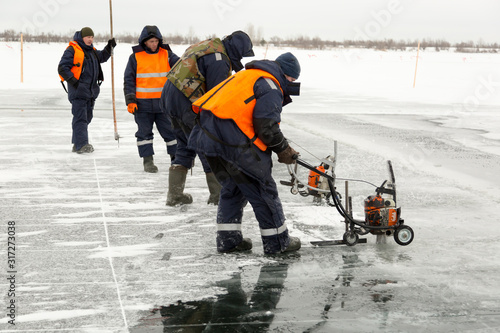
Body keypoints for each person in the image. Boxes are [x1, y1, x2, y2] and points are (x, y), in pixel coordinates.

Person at [188, 52, 302, 255]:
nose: (291, 84)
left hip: (206, 139)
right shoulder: (271, 85)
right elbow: (266, 126)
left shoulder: (244, 76)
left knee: (234, 188)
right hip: (231, 141)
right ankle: (278, 243)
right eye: (292, 80)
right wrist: (283, 149)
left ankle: (229, 241)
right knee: (263, 189)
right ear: (286, 75)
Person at [161, 30, 254, 206]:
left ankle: (174, 196)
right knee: (207, 144)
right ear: (237, 49)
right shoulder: (219, 59)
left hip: (169, 97)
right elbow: (216, 97)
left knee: (184, 145)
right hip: (187, 100)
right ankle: (219, 195)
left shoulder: (208, 46)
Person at [124, 25, 179, 173]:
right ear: (144, 42)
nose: (154, 44)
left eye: (156, 41)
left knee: (171, 133)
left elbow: (182, 68)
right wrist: (130, 100)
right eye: (151, 41)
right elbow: (129, 80)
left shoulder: (167, 54)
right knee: (144, 134)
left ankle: (177, 160)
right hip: (142, 105)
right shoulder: (135, 57)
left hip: (164, 104)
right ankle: (148, 161)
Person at [58, 27, 115, 154]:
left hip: (90, 92)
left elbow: (102, 57)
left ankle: (77, 143)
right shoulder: (72, 50)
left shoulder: (92, 51)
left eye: (92, 37)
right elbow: (62, 68)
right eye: (88, 37)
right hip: (78, 91)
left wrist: (109, 47)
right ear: (81, 38)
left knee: (87, 117)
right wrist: (75, 83)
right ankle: (82, 144)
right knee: (81, 118)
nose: (90, 40)